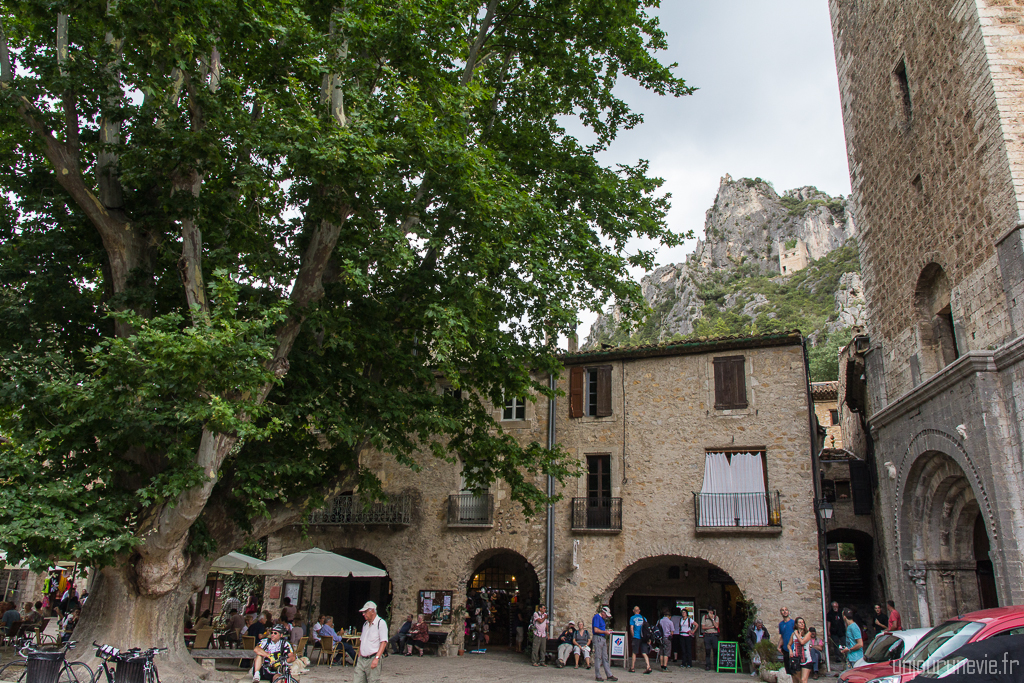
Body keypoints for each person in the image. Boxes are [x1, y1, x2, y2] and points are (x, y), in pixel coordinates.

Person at [354, 601, 388, 683]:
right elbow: (362, 641)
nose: (363, 614)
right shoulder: (365, 624)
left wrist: (377, 658)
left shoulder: (381, 623)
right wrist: (359, 657)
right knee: (357, 680)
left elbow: (383, 642)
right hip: (362, 659)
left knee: (373, 680)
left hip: (372, 657)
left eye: (365, 612)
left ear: (372, 611)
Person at [591, 606, 618, 682]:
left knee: (605, 657)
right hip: (598, 638)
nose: (606, 616)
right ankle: (598, 675)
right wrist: (605, 632)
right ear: (603, 612)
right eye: (606, 615)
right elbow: (596, 630)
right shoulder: (597, 617)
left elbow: (601, 629)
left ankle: (609, 675)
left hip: (602, 638)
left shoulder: (602, 619)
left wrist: (607, 630)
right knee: (598, 657)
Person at [788, 617, 813, 683]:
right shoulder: (793, 634)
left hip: (806, 659)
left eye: (803, 623)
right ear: (796, 624)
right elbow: (789, 644)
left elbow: (802, 642)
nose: (802, 624)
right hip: (796, 659)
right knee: (796, 680)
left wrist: (797, 634)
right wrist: (790, 650)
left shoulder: (808, 633)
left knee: (803, 680)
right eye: (800, 623)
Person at [629, 606, 651, 674]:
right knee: (644, 652)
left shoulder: (632, 618)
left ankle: (632, 667)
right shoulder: (643, 618)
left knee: (634, 652)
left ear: (633, 611)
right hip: (643, 637)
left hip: (636, 637)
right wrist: (648, 638)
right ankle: (648, 666)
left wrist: (633, 636)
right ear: (639, 611)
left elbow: (631, 628)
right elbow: (647, 628)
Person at [778, 607, 795, 675]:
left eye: (786, 610)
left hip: (793, 649)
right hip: (785, 649)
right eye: (783, 610)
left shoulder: (793, 623)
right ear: (781, 613)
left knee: (794, 670)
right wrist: (779, 646)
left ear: (789, 612)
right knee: (787, 669)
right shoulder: (781, 624)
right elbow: (782, 636)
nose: (784, 611)